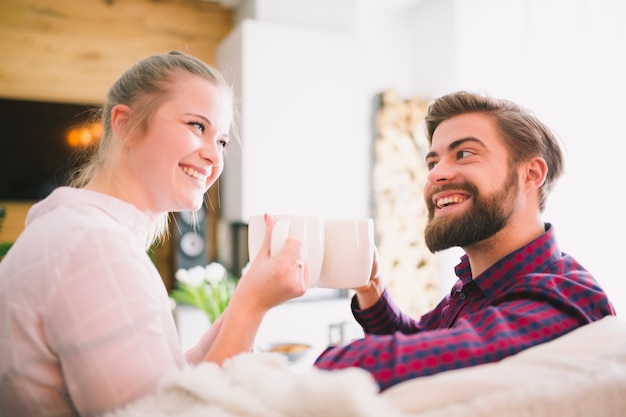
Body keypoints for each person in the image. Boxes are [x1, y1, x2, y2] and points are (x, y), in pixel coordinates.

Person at [0, 51, 309, 416]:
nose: (214, 156)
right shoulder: (93, 247)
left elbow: (166, 379)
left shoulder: (79, 231)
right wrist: (250, 307)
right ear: (127, 124)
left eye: (222, 141)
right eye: (197, 126)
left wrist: (244, 300)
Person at [314, 90, 616, 391]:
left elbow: (387, 365)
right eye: (432, 163)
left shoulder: (561, 301)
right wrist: (372, 287)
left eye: (464, 154)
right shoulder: (477, 286)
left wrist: (312, 370)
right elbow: (422, 347)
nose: (436, 175)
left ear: (530, 173)